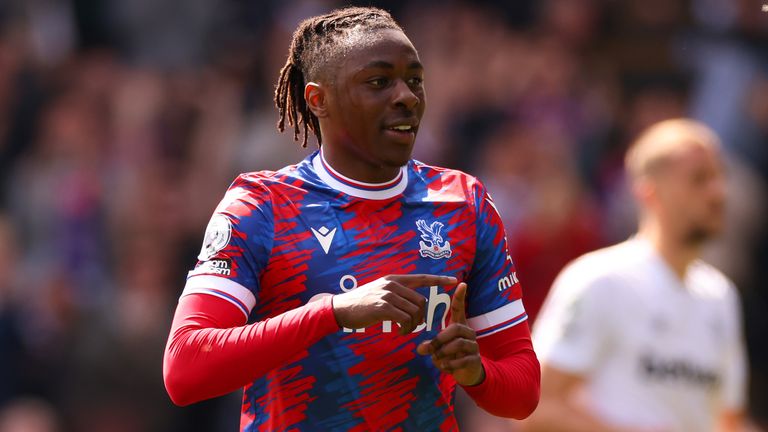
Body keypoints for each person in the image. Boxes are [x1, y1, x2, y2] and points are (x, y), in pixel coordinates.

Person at [162, 6, 540, 431]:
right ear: (318, 99)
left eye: (414, 80)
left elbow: (524, 391)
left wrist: (477, 373)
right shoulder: (262, 205)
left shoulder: (463, 204)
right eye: (379, 82)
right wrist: (333, 313)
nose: (407, 97)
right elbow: (185, 368)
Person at [522, 119, 748, 432]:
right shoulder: (600, 280)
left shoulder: (721, 295)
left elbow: (727, 422)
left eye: (719, 177)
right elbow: (532, 407)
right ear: (649, 194)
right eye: (699, 179)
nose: (718, 192)